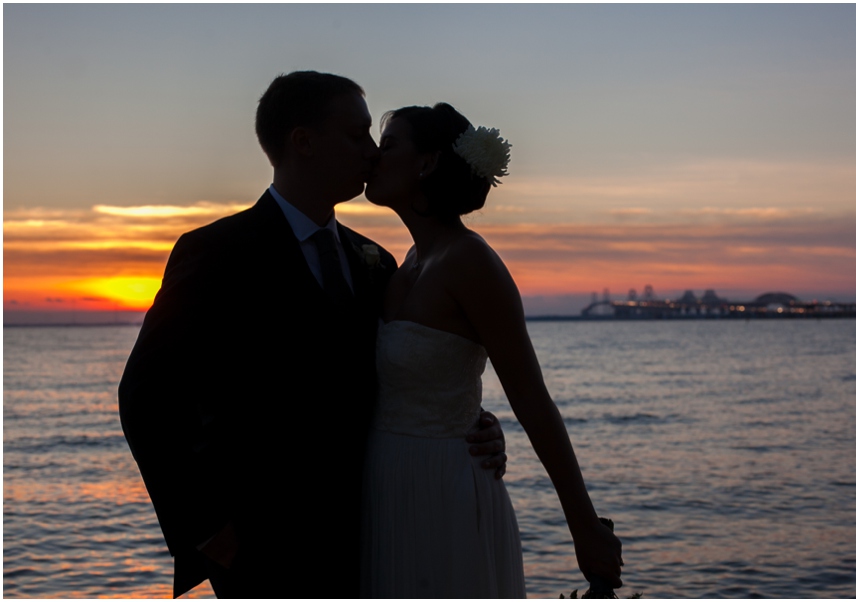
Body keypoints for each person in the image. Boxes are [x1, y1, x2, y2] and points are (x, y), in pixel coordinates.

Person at [118, 72, 506, 599]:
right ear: (303, 141)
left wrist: (472, 424)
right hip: (264, 552)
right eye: (357, 135)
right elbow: (146, 397)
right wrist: (208, 533)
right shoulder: (214, 253)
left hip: (378, 532)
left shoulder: (375, 263)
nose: (371, 152)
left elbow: (406, 372)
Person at [359, 103, 624, 597]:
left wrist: (582, 526)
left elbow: (532, 399)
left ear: (427, 162)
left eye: (389, 143)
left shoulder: (472, 262)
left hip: (445, 492)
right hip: (386, 486)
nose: (375, 155)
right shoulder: (400, 265)